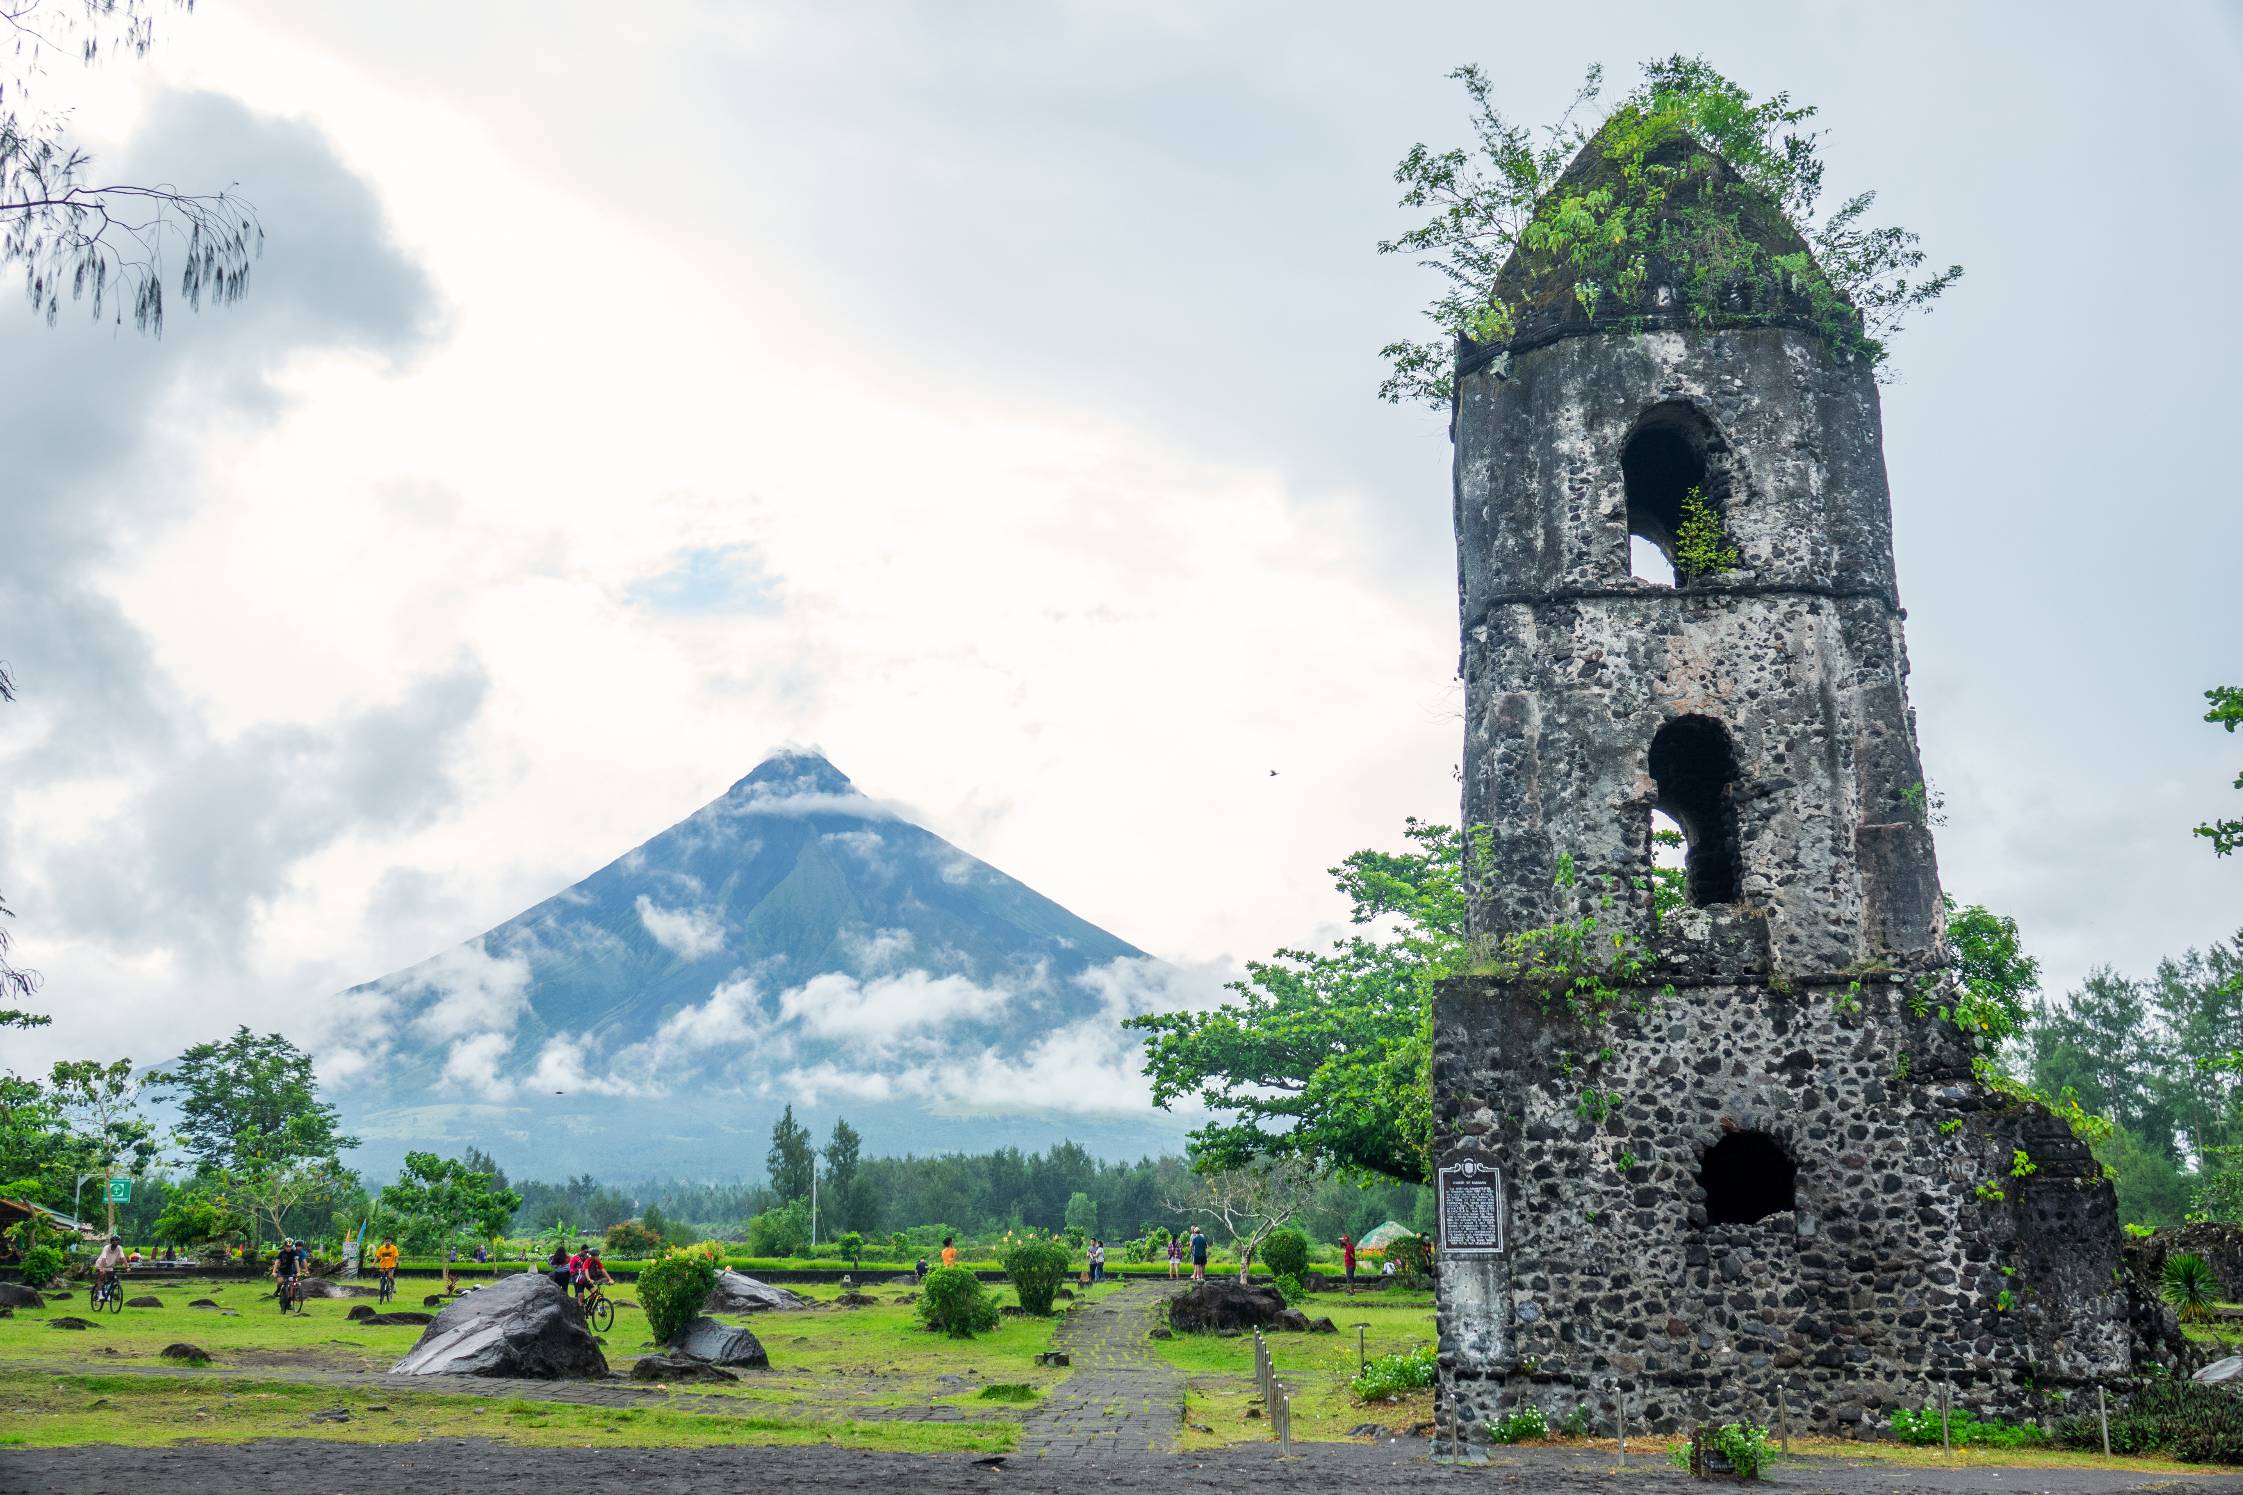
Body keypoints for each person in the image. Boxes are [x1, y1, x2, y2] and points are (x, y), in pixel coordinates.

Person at [92, 1235, 126, 1302]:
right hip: (100, 1265)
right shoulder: (106, 1248)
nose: (115, 1244)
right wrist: (101, 1269)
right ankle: (100, 1294)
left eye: (117, 1242)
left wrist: (127, 1267)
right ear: (111, 1242)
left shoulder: (119, 1248)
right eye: (114, 1242)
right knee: (100, 1277)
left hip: (109, 1266)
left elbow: (123, 1257)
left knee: (110, 1279)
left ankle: (107, 1292)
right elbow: (103, 1258)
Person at [273, 1237, 302, 1312]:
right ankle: (278, 1290)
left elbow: (296, 1262)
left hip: (289, 1271)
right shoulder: (281, 1253)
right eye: (287, 1247)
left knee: (290, 1286)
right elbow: (277, 1262)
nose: (288, 1248)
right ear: (284, 1246)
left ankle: (288, 1303)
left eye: (290, 1247)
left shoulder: (294, 1253)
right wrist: (274, 1272)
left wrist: (298, 1272)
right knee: (280, 1281)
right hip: (281, 1271)